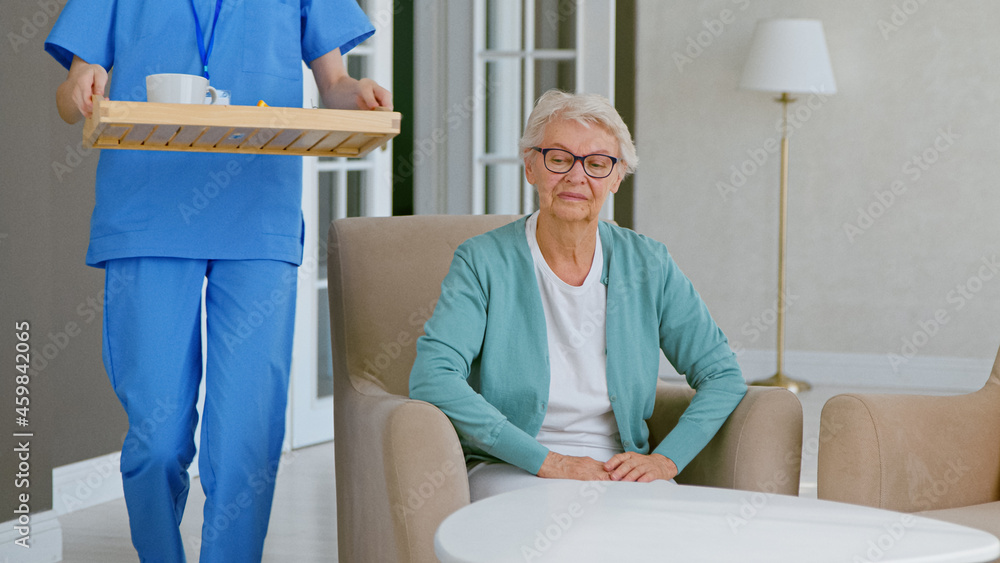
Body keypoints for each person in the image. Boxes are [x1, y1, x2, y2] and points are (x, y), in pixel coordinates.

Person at [45, 1, 391, 561]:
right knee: (156, 442)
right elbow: (69, 96)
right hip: (147, 212)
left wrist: (360, 95)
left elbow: (334, 85)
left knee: (245, 445)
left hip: (258, 211)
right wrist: (81, 84)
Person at [409, 89, 746, 502]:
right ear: (531, 166)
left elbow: (722, 375)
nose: (576, 176)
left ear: (617, 177)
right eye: (559, 158)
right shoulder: (482, 261)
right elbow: (433, 377)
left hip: (621, 467)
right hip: (513, 465)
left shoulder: (648, 263)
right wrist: (549, 461)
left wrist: (666, 461)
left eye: (597, 163)